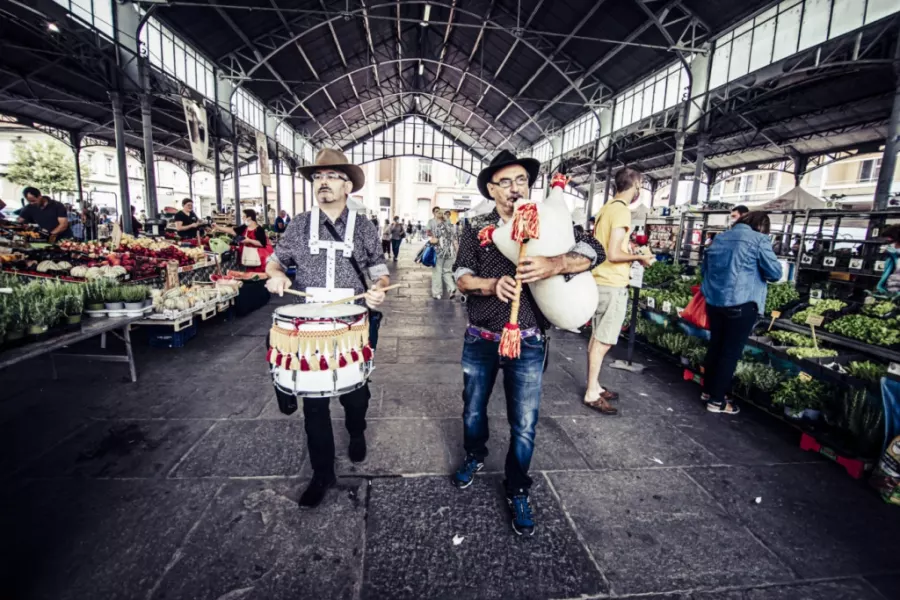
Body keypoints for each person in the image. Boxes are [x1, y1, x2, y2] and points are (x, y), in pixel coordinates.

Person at [451, 150, 605, 536]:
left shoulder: (548, 219)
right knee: (473, 409)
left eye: (521, 180)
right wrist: (489, 285)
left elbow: (594, 249)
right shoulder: (476, 226)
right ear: (491, 188)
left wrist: (557, 264)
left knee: (524, 422)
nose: (515, 188)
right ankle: (475, 454)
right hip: (481, 337)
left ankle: (517, 486)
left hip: (530, 341)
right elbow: (461, 275)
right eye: (505, 181)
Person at [265, 149, 389, 508]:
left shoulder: (365, 227)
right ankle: (322, 474)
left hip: (352, 324)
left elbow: (379, 273)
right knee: (315, 403)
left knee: (356, 394)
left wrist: (378, 291)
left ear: (347, 185)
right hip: (309, 326)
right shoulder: (298, 225)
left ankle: (356, 429)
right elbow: (275, 263)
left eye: (332, 176)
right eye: (318, 177)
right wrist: (274, 278)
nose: (323, 182)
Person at [585, 167, 654, 415]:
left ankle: (595, 384)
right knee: (603, 341)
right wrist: (639, 256)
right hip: (612, 283)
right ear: (635, 186)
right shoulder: (622, 211)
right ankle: (592, 391)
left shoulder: (606, 208)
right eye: (640, 187)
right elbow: (614, 253)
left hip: (599, 280)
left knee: (597, 337)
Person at [701, 211, 783, 415]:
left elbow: (705, 270)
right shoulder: (759, 239)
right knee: (730, 352)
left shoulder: (720, 238)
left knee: (716, 346)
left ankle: (708, 391)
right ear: (762, 226)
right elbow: (775, 273)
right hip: (742, 302)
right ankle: (717, 401)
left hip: (715, 301)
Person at [214, 209, 272, 274]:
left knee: (257, 275)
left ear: (249, 218)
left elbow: (262, 244)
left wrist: (249, 240)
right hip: (247, 256)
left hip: (258, 258)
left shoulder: (259, 229)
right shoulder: (245, 227)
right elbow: (232, 231)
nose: (242, 218)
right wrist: (218, 227)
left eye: (243, 216)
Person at [429, 208, 458, 300]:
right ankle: (451, 288)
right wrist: (457, 252)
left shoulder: (437, 227)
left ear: (438, 218)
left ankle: (437, 293)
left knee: (437, 272)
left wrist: (431, 241)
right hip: (450, 253)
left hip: (439, 253)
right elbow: (455, 241)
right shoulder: (451, 227)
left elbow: (434, 240)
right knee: (447, 271)